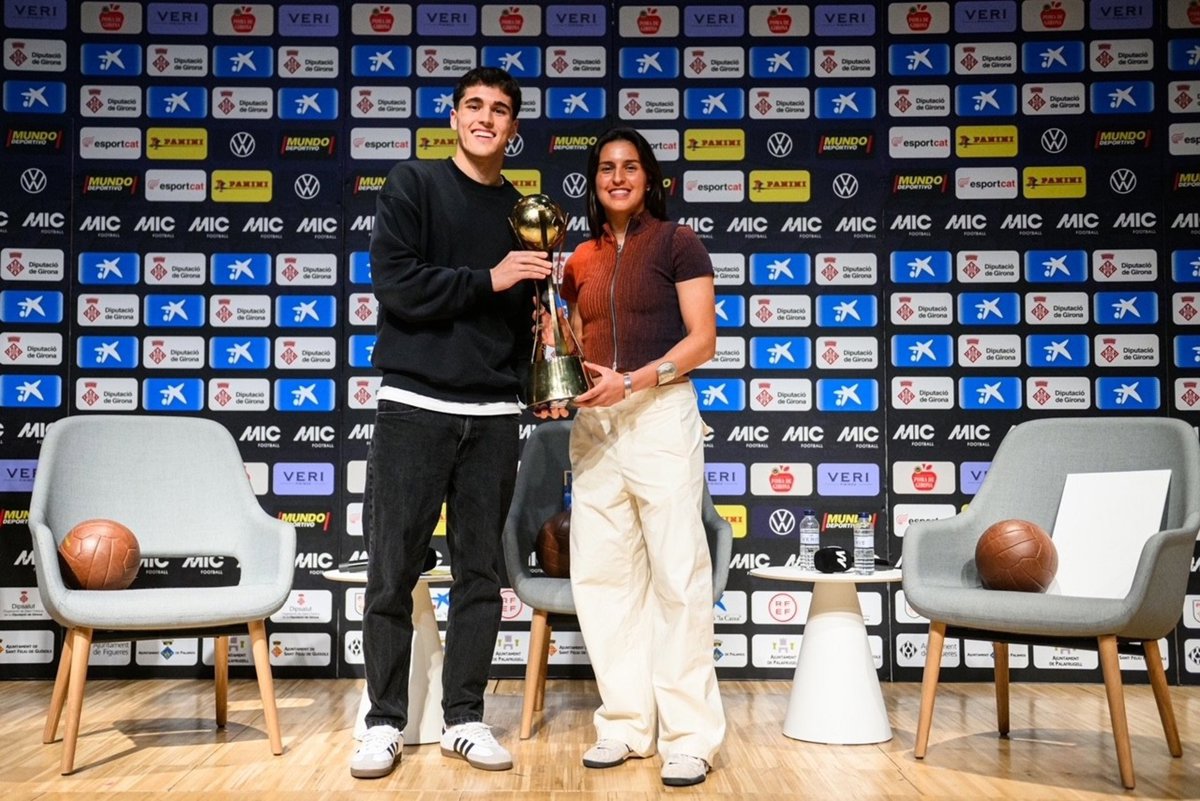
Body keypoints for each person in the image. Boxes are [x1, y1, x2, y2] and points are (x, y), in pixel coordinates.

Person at [351, 67, 552, 780]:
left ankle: (464, 718)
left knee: (479, 578)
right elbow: (396, 285)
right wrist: (489, 278)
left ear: (513, 128)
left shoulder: (524, 212)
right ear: (453, 117)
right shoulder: (413, 184)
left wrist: (540, 374)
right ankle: (383, 723)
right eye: (474, 106)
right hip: (416, 406)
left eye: (499, 110)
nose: (485, 118)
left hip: (494, 414)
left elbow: (523, 322)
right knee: (391, 571)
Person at [545, 127, 725, 787]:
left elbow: (702, 340)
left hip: (659, 414)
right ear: (593, 181)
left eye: (629, 166)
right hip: (596, 426)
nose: (617, 177)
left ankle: (689, 736)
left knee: (677, 575)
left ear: (649, 177)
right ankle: (624, 723)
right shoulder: (578, 260)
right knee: (603, 578)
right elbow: (570, 341)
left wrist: (636, 380)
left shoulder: (678, 242)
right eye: (605, 168)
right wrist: (555, 359)